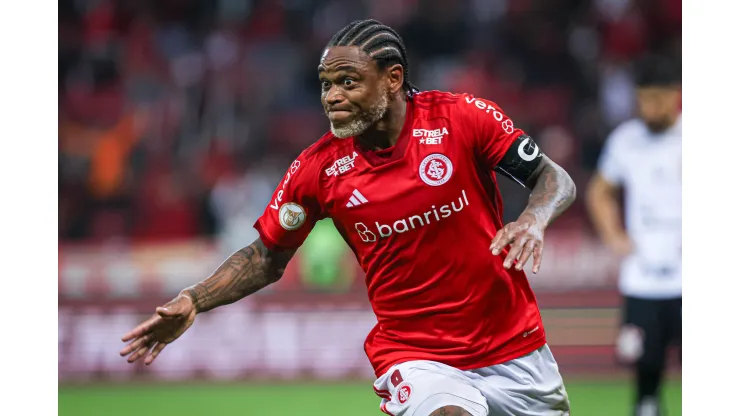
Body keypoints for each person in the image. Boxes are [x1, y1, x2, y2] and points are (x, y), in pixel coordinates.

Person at [120, 19, 576, 416]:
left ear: (393, 78)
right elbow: (266, 257)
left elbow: (553, 179)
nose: (332, 97)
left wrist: (534, 218)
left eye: (348, 82)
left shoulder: (462, 119)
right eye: (325, 84)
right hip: (416, 356)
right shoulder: (319, 169)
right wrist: (195, 299)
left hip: (516, 348)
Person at [586, 54, 681, 416]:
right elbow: (600, 191)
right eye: (642, 99)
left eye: (655, 99)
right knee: (646, 374)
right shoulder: (626, 140)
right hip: (643, 277)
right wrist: (613, 236)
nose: (648, 108)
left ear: (676, 94)